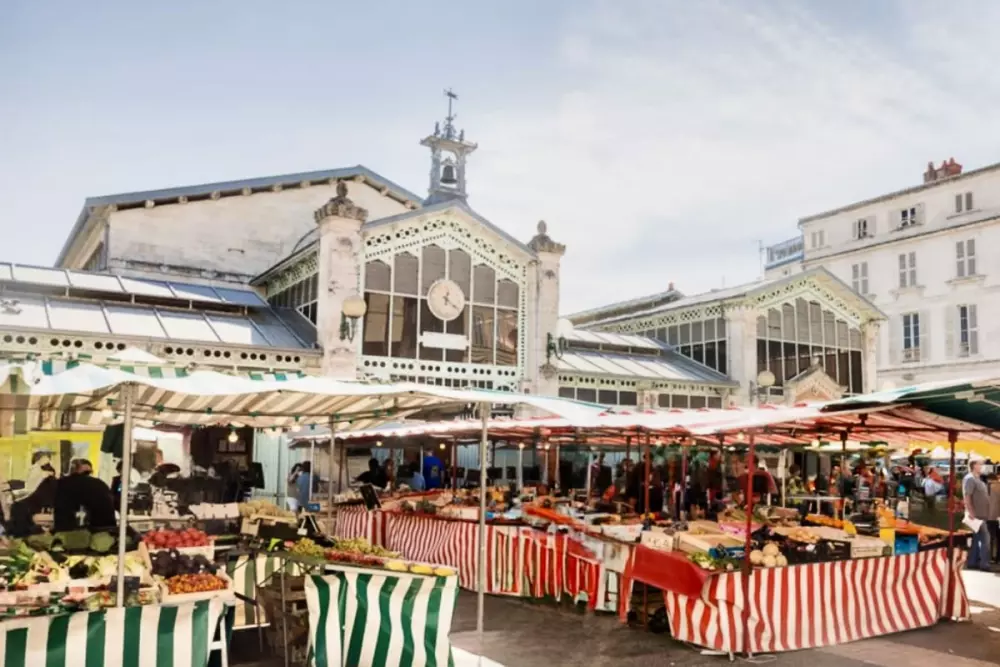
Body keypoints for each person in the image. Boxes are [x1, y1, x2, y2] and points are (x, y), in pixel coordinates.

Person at [53, 459, 116, 532]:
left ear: (71, 470)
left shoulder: (63, 484)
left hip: (70, 534)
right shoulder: (100, 484)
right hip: (106, 532)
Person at [963, 458, 992, 570]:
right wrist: (971, 511)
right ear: (974, 465)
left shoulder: (977, 479)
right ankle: (984, 564)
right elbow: (967, 496)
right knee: (986, 538)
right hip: (976, 515)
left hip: (981, 513)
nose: (982, 466)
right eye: (980, 464)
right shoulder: (970, 479)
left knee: (977, 538)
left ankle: (972, 562)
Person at [986, 472, 1000, 565]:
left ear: (990, 479)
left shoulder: (988, 487)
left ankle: (990, 557)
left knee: (990, 538)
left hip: (989, 516)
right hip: (998, 516)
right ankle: (998, 558)